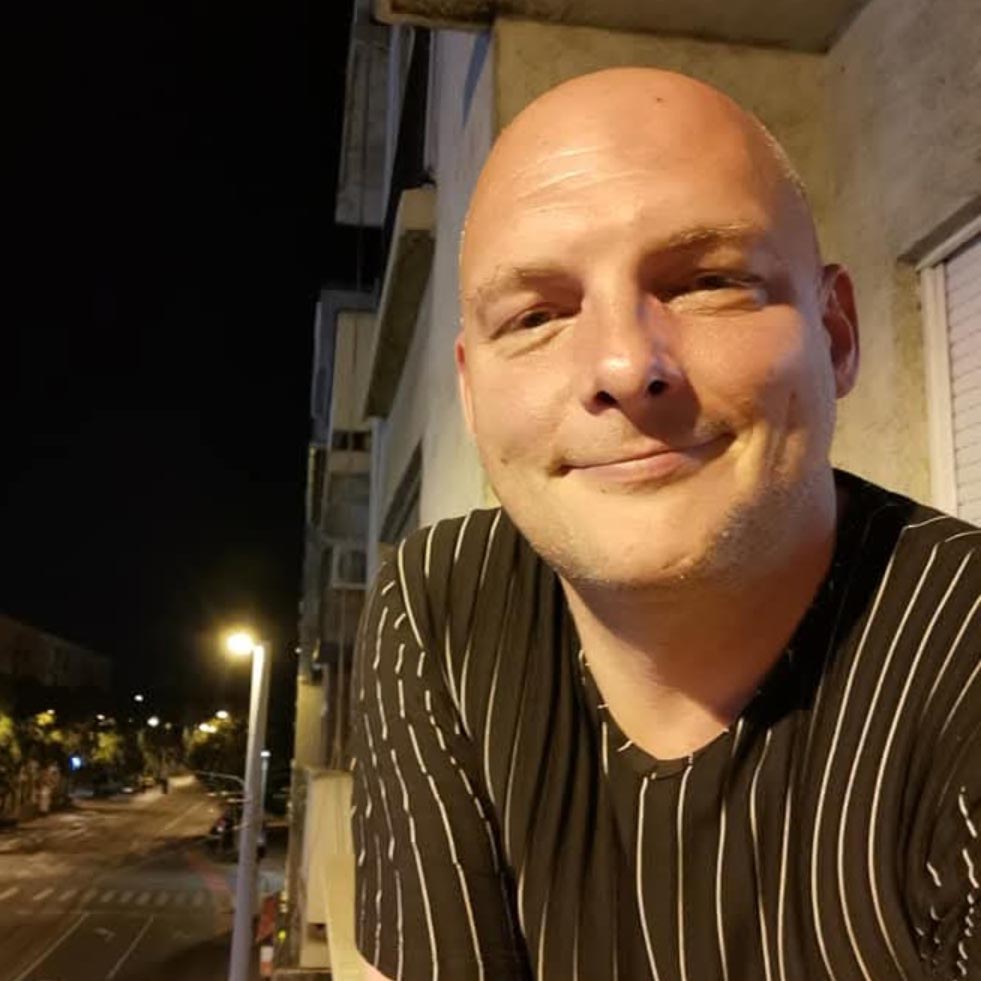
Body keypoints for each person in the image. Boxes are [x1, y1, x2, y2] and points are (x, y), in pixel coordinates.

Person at [350, 68, 980, 980]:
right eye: (535, 316)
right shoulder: (438, 605)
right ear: (472, 396)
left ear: (835, 334)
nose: (622, 364)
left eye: (707, 281)